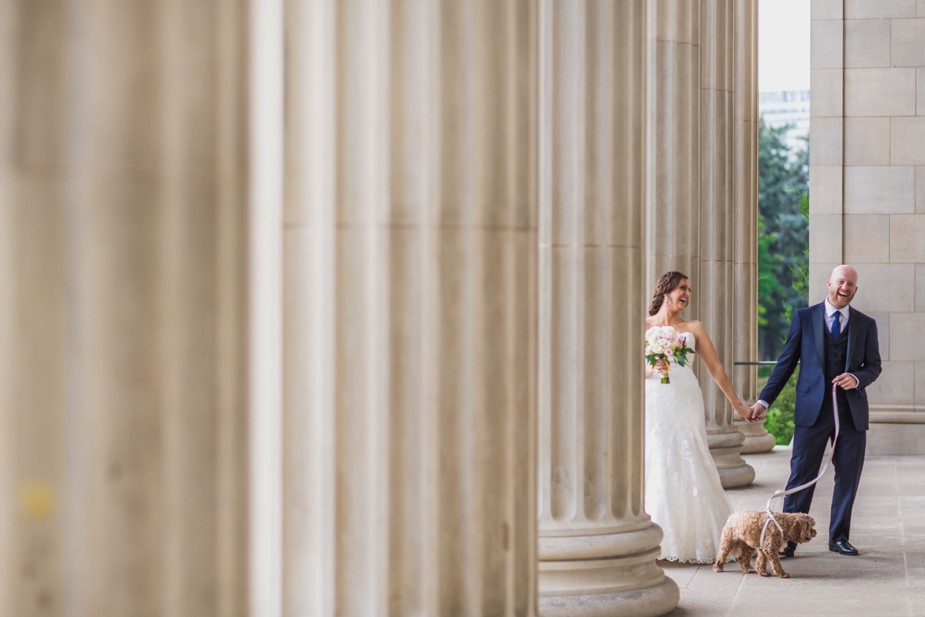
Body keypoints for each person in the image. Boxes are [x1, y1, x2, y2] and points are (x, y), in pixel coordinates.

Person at [750, 264, 881, 558]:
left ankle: (839, 538)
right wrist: (764, 401)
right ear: (829, 283)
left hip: (851, 413)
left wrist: (857, 378)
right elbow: (785, 364)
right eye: (840, 282)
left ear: (855, 290)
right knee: (800, 476)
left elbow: (874, 366)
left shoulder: (865, 324)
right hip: (812, 411)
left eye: (850, 284)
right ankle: (788, 538)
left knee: (848, 476)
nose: (844, 288)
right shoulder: (804, 318)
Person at [645, 271, 756, 563]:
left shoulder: (694, 327)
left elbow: (716, 368)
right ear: (666, 290)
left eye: (689, 290)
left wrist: (737, 405)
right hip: (655, 398)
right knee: (656, 454)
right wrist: (649, 368)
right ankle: (655, 536)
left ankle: (701, 537)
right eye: (682, 288)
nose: (688, 294)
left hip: (685, 398)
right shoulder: (643, 326)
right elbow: (627, 364)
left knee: (690, 453)